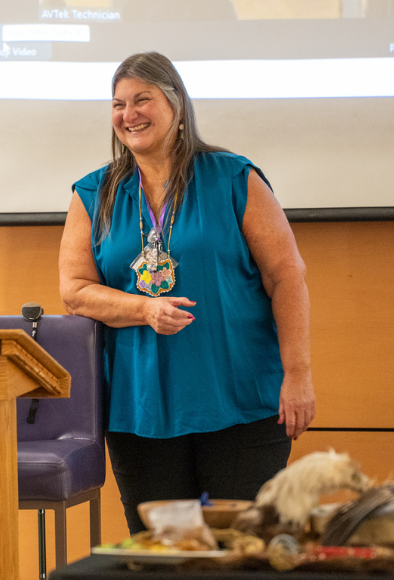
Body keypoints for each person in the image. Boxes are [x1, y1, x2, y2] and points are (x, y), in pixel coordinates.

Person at [58, 52, 315, 534]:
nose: (128, 114)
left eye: (142, 100)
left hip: (240, 400)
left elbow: (287, 277)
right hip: (140, 410)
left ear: (176, 107)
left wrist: (298, 374)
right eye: (118, 104)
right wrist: (142, 308)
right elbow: (74, 292)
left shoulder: (234, 178)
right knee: (163, 552)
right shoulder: (94, 194)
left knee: (241, 550)